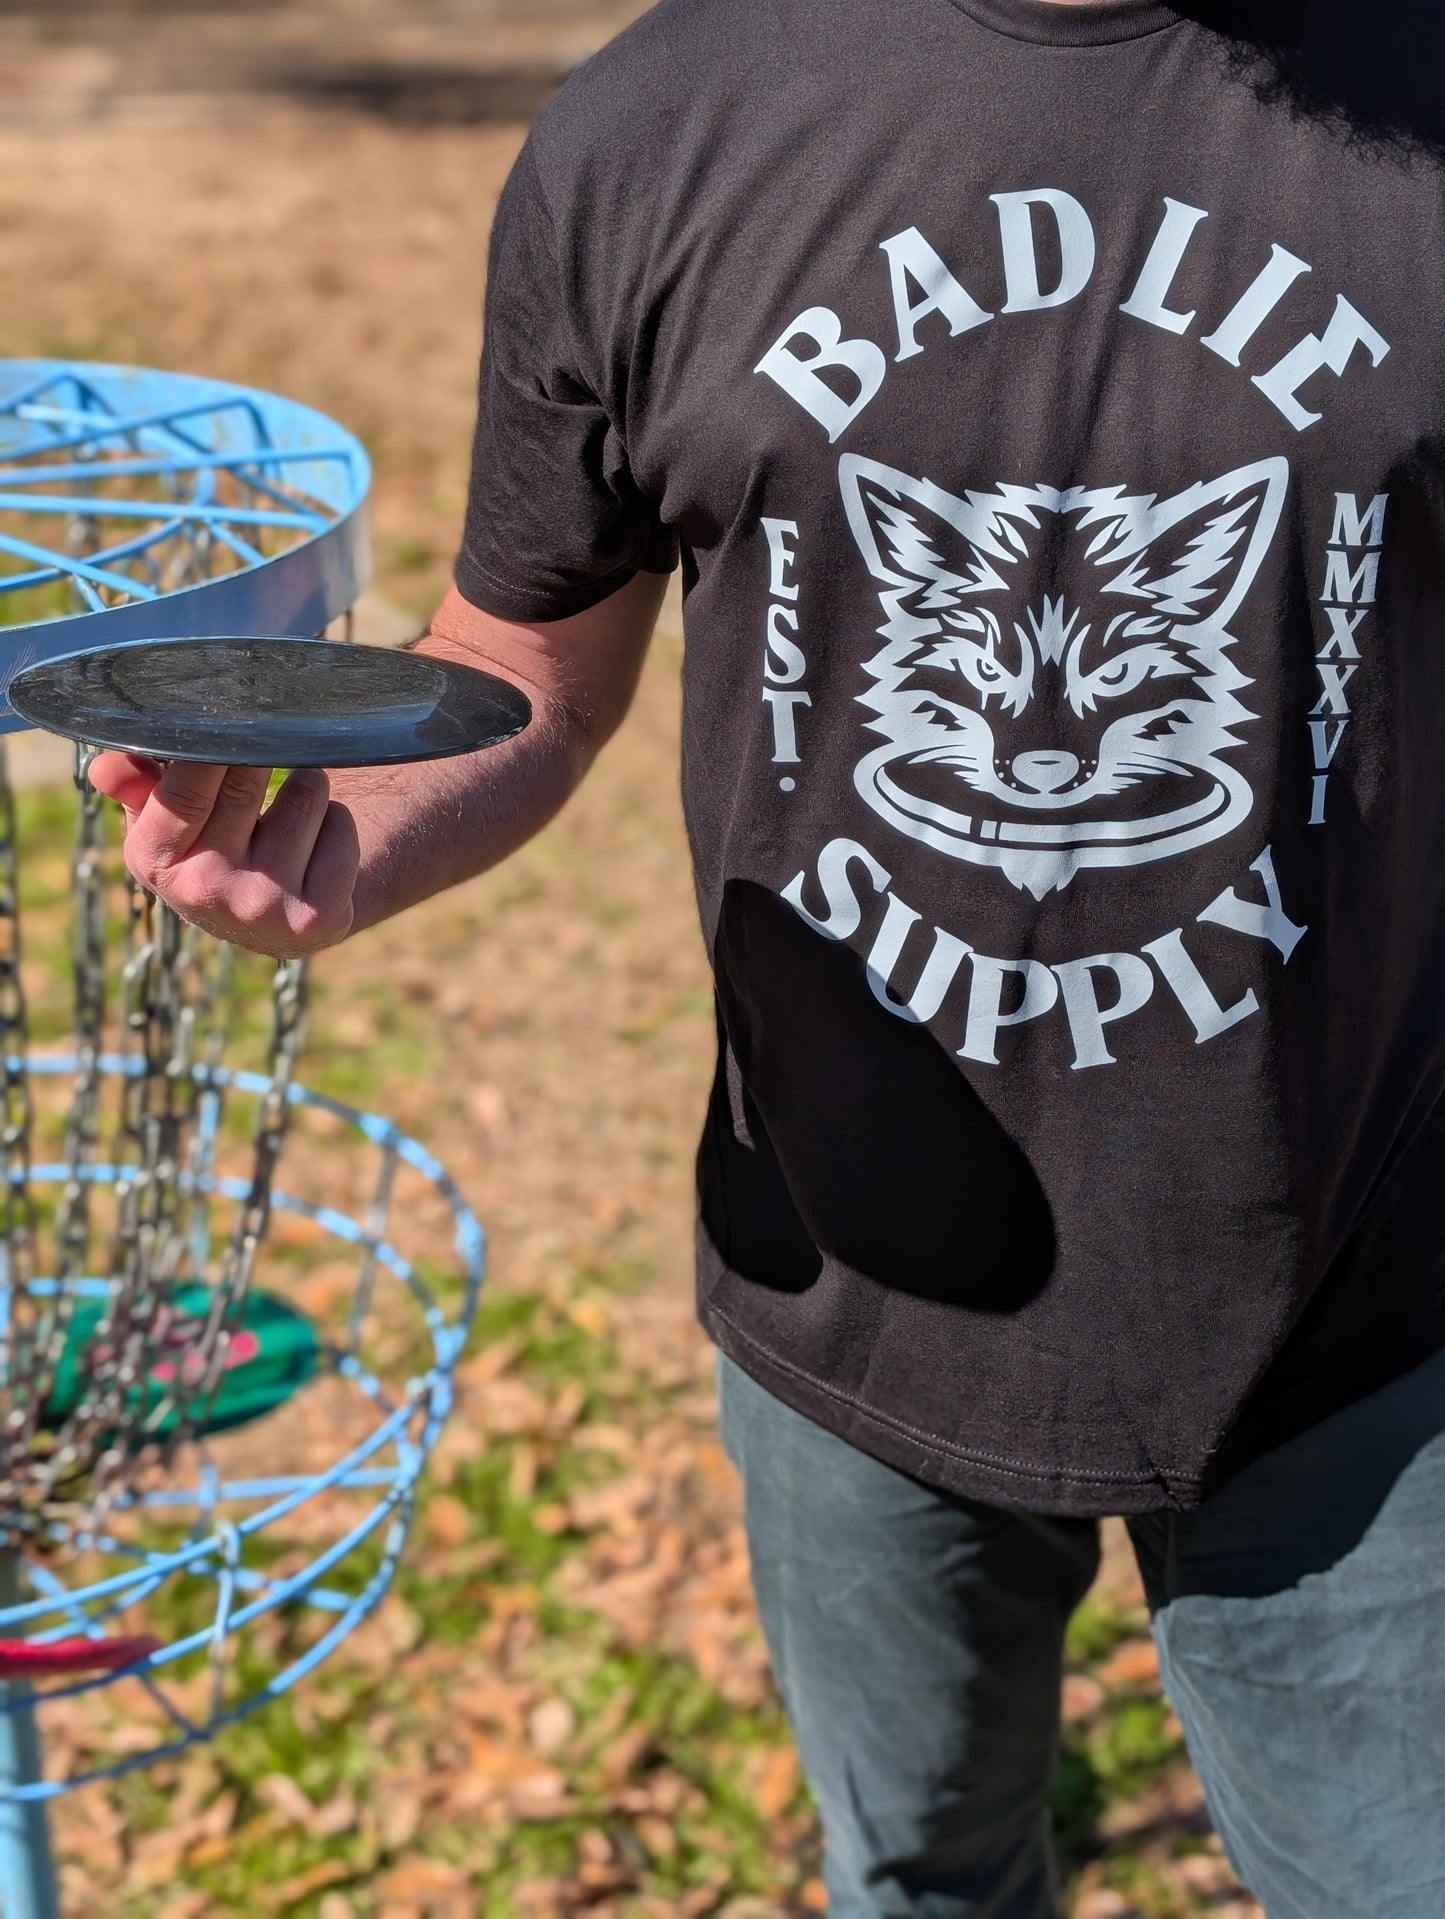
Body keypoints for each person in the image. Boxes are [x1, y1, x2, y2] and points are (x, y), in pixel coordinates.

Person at [90, 1, 1445, 1912]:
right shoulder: (667, 123)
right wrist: (344, 821)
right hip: (847, 1299)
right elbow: (524, 673)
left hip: (1365, 1324)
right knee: (915, 1880)